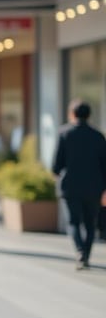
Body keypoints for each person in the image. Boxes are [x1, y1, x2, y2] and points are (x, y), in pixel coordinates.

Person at [51, 99, 106, 270]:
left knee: (73, 222)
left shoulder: (64, 133)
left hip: (70, 186)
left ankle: (80, 251)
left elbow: (56, 165)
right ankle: (86, 255)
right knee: (90, 223)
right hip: (94, 186)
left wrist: (56, 175)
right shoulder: (98, 136)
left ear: (72, 114)